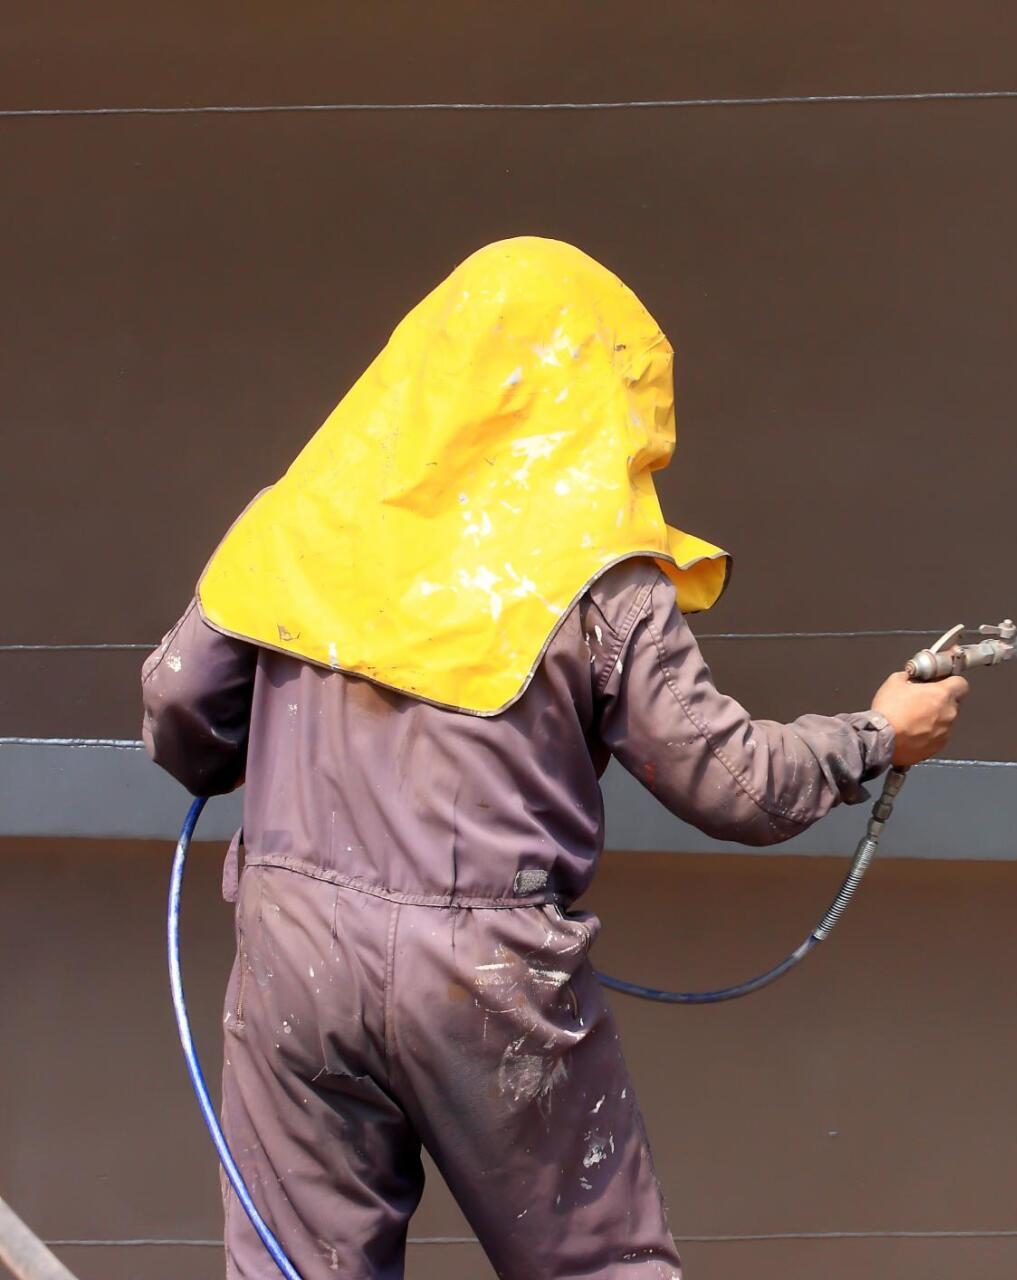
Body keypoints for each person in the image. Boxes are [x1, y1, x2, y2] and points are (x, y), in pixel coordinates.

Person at [140, 237, 967, 1279]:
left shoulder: (298, 520)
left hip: (292, 951)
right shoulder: (596, 576)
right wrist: (879, 734)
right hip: (483, 973)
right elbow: (734, 783)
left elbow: (178, 704)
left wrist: (263, 761)